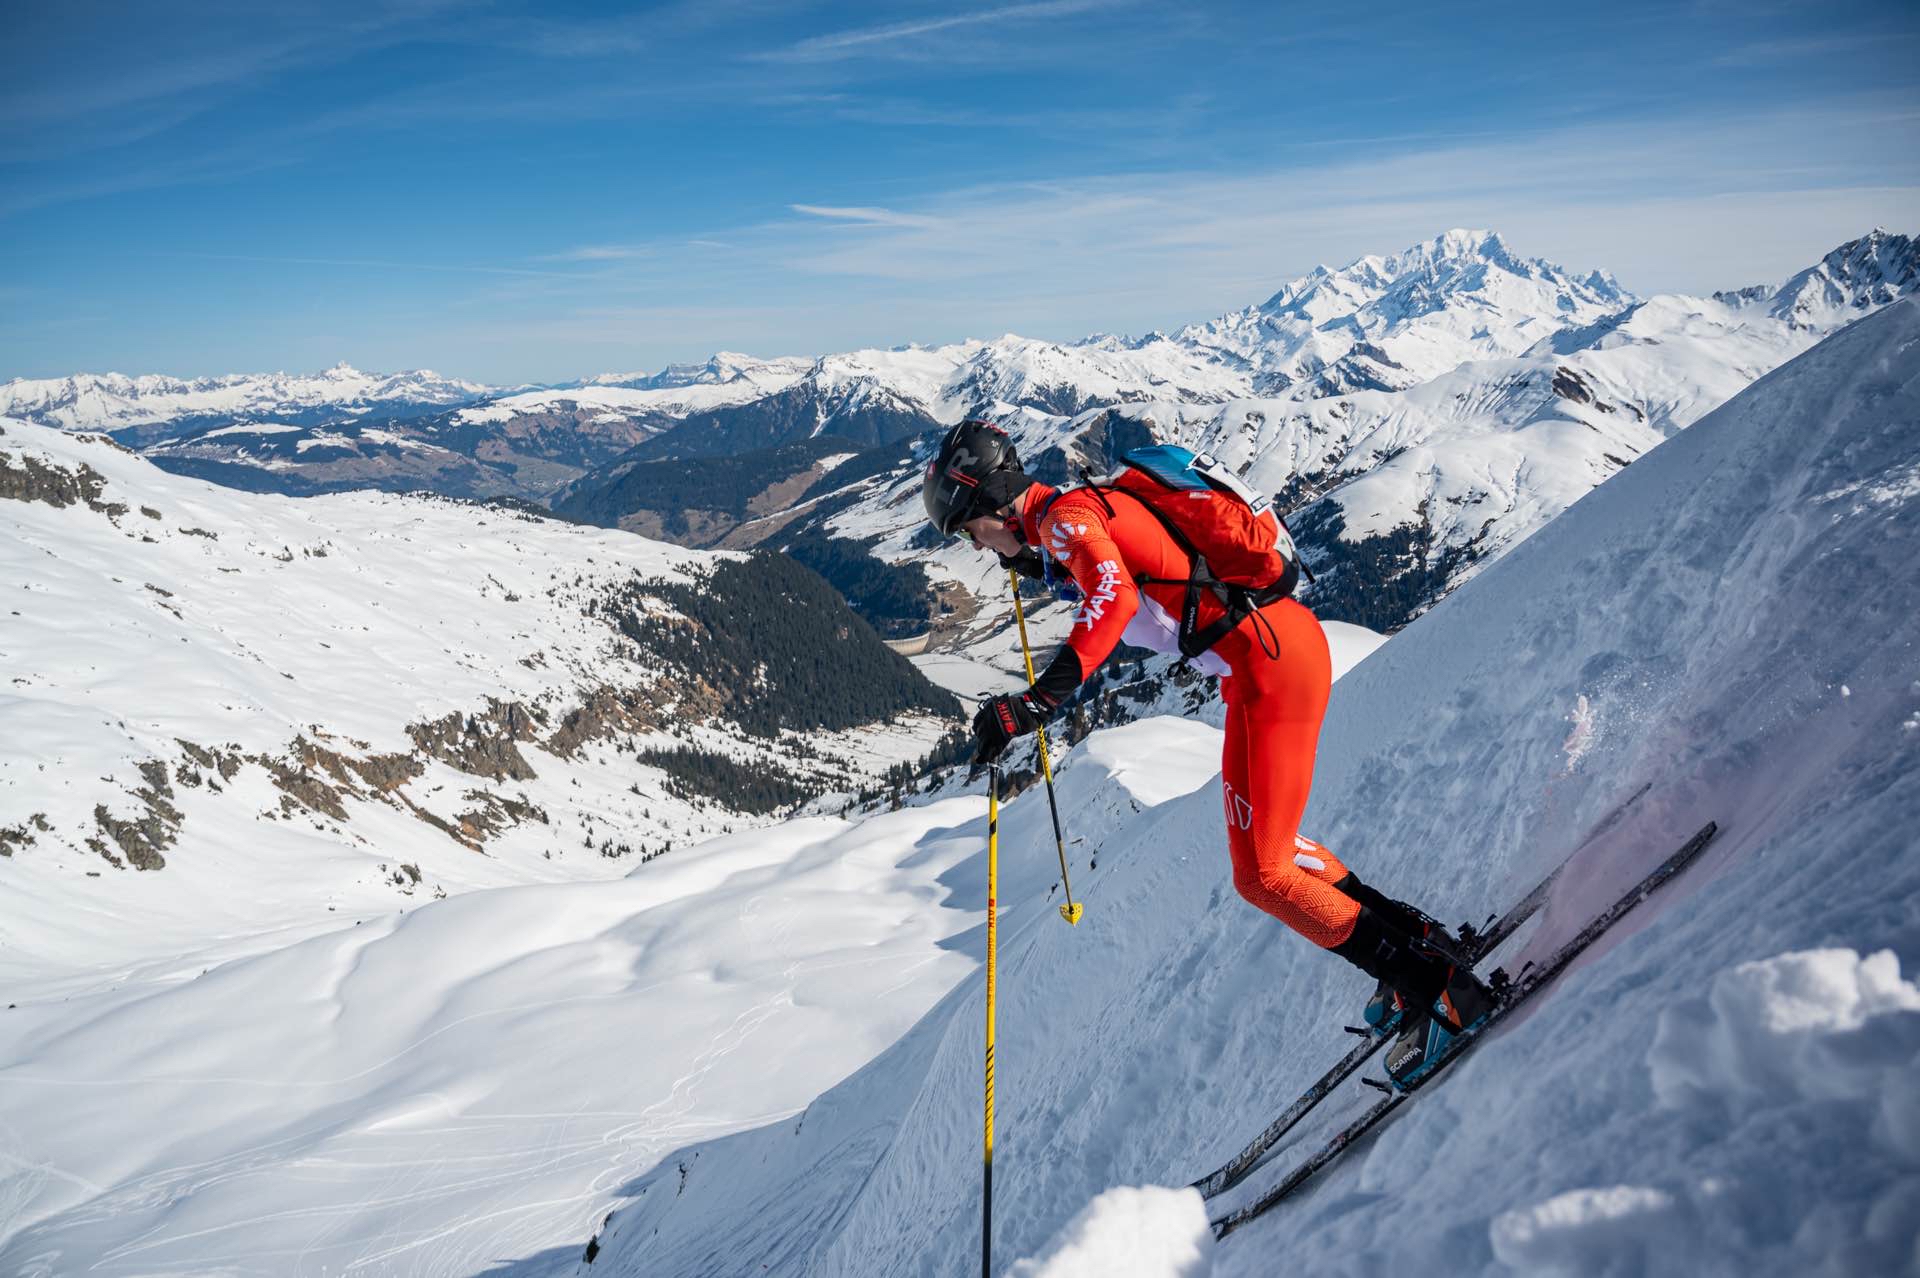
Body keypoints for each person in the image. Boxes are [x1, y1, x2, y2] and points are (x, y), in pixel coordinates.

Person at [922, 419, 1494, 1085]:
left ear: (994, 503)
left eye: (969, 527)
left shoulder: (1065, 518)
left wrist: (1034, 702)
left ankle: (1441, 989)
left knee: (1263, 875)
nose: (977, 544)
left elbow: (1114, 599)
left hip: (1269, 662)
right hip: (1265, 658)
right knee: (1272, 851)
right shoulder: (1077, 514)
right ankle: (1417, 944)